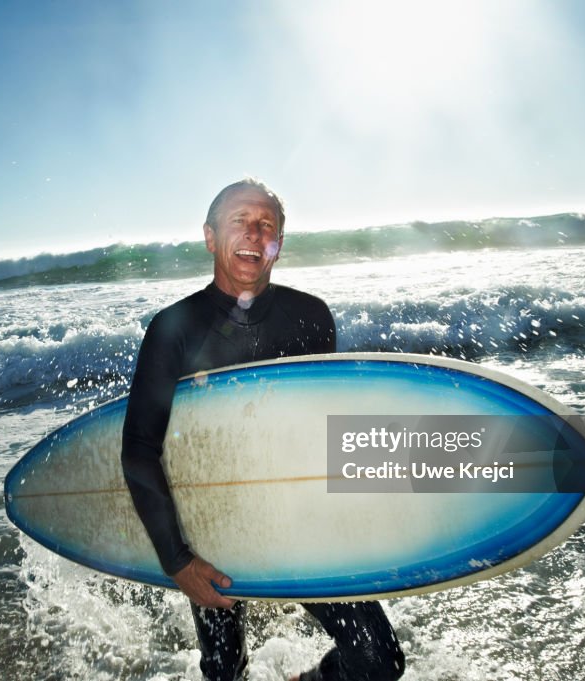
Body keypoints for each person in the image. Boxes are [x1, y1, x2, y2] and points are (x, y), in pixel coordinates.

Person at [121, 178, 405, 681]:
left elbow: (322, 427)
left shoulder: (311, 317)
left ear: (278, 244)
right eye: (239, 221)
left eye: (267, 225)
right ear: (210, 236)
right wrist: (178, 560)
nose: (254, 233)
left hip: (299, 524)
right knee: (225, 672)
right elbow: (141, 448)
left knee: (380, 661)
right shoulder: (174, 329)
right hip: (209, 523)